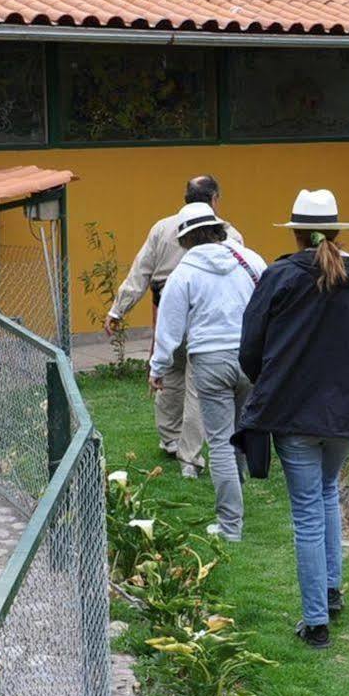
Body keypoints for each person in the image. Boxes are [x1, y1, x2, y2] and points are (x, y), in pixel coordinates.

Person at [238, 189, 349, 649]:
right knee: (327, 494)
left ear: (295, 231)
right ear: (337, 230)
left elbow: (250, 350)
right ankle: (330, 592)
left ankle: (316, 620)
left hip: (296, 413)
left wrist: (271, 382)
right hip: (344, 412)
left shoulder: (278, 276)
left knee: (307, 514)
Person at [106, 176, 243, 474]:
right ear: (215, 199)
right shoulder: (230, 234)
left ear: (185, 198)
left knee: (169, 372)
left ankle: (170, 439)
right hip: (206, 314)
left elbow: (140, 272)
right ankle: (188, 455)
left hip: (166, 306)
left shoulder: (161, 227)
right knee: (195, 386)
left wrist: (118, 310)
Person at [150, 202, 262, 540]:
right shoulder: (251, 260)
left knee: (222, 441)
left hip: (210, 361)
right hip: (250, 358)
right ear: (217, 228)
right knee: (241, 430)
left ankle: (230, 526)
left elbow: (169, 327)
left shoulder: (183, 273)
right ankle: (237, 491)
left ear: (185, 239)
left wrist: (158, 368)